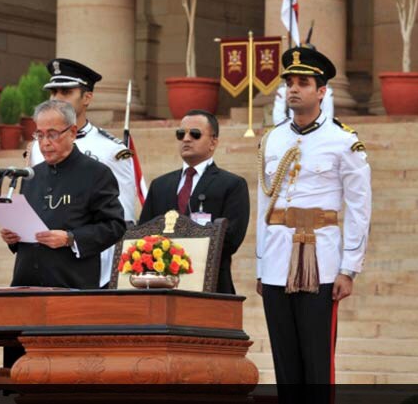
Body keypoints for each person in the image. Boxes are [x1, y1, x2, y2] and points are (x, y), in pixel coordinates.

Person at [256, 46, 372, 384]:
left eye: (303, 82)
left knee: (317, 361)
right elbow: (265, 204)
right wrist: (262, 265)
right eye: (289, 82)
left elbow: (359, 206)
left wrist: (349, 267)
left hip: (321, 260)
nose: (293, 88)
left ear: (321, 91)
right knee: (285, 361)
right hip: (278, 259)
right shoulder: (273, 138)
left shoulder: (342, 140)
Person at [28, 58, 138, 288]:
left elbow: (123, 217)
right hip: (42, 266)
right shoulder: (38, 147)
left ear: (87, 97)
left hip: (90, 266)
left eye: (66, 92)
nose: (57, 98)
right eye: (53, 92)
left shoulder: (112, 150)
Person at [1, 100, 126, 289]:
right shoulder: (31, 176)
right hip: (25, 284)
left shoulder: (96, 173)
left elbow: (114, 226)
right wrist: (13, 238)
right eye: (39, 135)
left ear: (73, 132)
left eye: (52, 134)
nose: (45, 143)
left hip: (72, 284)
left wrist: (71, 238)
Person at [139, 109, 249, 295]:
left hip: (211, 286)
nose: (186, 139)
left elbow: (231, 239)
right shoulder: (160, 185)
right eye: (181, 134)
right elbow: (144, 232)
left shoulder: (231, 184)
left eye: (195, 134)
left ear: (213, 142)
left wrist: (183, 253)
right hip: (161, 287)